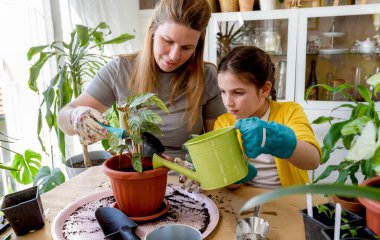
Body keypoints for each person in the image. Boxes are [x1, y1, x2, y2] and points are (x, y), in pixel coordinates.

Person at [57, 0, 226, 158]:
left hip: (189, 178)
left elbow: (217, 145)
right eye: (167, 41)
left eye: (187, 47)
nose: (174, 56)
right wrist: (74, 115)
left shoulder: (207, 76)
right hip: (136, 176)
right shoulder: (120, 70)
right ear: (152, 32)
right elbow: (64, 120)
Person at [214, 46, 321, 188]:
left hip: (290, 201)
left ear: (264, 89)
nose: (228, 102)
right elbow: (231, 185)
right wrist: (230, 175)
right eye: (223, 91)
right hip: (246, 200)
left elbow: (313, 161)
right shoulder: (223, 123)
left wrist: (276, 140)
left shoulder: (289, 111)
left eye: (238, 92)